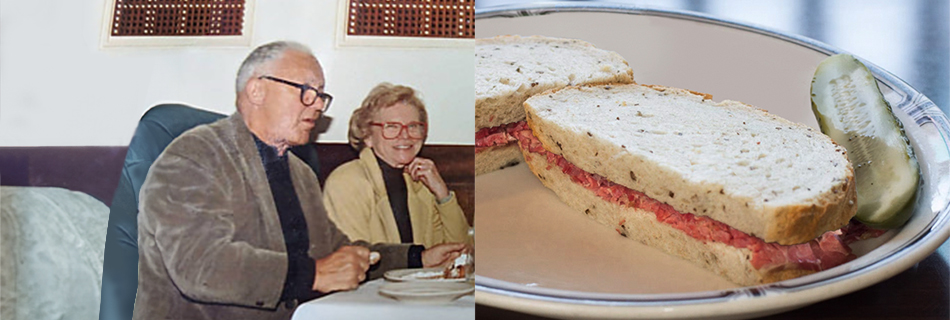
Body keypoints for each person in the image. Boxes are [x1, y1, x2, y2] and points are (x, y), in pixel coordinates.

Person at [132, 41, 466, 320]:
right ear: (257, 90)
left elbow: (339, 251)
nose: (318, 105)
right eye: (306, 91)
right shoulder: (194, 156)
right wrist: (314, 274)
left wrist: (417, 258)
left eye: (321, 95)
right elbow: (202, 266)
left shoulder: (300, 173)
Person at [323, 83, 471, 248]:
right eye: (392, 127)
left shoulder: (420, 183)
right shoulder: (347, 181)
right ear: (367, 135)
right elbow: (353, 258)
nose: (405, 136)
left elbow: (459, 252)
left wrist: (443, 194)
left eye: (413, 126)